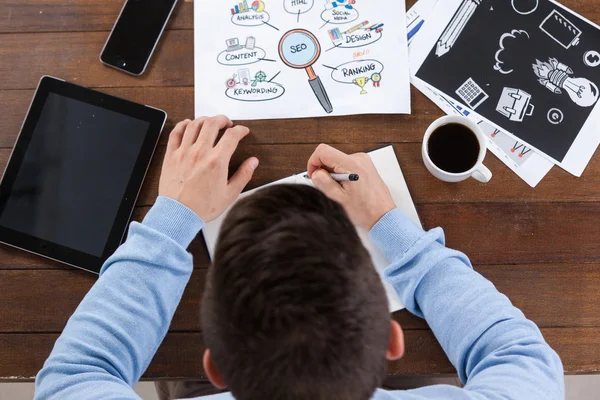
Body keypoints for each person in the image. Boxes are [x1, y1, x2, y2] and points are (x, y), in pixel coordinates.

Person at [34, 116, 564, 400]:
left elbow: (73, 377)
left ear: (214, 369)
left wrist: (172, 221)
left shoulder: (212, 372)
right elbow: (526, 363)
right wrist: (392, 225)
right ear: (392, 340)